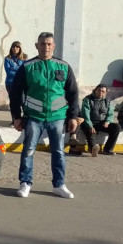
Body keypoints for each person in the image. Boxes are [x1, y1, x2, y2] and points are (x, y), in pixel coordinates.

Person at [10, 32, 80, 199]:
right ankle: (25, 183)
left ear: (54, 46)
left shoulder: (63, 66)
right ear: (36, 46)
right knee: (28, 150)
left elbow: (73, 93)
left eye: (49, 44)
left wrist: (73, 116)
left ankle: (59, 184)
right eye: (42, 44)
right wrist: (16, 117)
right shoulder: (27, 67)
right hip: (34, 117)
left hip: (57, 117)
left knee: (58, 152)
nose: (45, 47)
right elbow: (15, 93)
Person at [80, 84, 121, 156]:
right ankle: (93, 149)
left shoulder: (107, 101)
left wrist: (107, 122)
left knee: (116, 127)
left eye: (103, 91)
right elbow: (85, 114)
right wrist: (90, 126)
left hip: (102, 123)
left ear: (106, 92)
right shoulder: (88, 99)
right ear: (95, 90)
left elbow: (110, 113)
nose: (100, 93)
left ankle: (108, 149)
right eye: (99, 90)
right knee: (90, 133)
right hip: (90, 122)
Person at [4, 41, 27, 125]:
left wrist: (16, 70)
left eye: (17, 47)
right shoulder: (7, 58)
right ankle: (14, 119)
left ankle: (24, 119)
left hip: (22, 83)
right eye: (13, 47)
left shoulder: (24, 57)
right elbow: (8, 71)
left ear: (20, 48)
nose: (15, 49)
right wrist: (19, 71)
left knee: (23, 101)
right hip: (10, 83)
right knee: (13, 101)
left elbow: (25, 70)